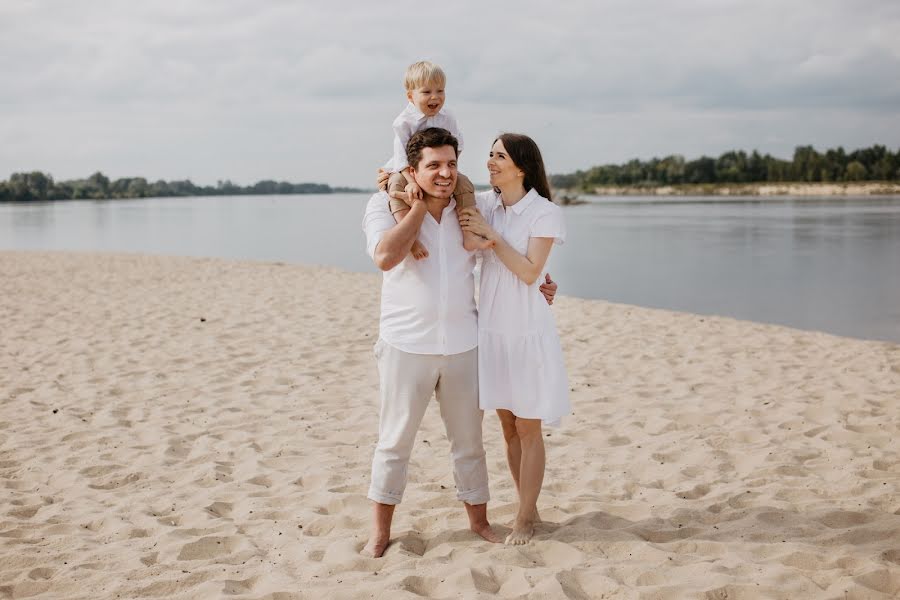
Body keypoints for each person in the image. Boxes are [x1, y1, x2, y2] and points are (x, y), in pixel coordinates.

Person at [362, 127, 557, 558]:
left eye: (451, 164)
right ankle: (379, 533)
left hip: (465, 346)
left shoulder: (470, 208)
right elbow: (385, 257)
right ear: (412, 171)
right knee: (394, 443)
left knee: (469, 442)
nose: (445, 173)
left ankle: (480, 522)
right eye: (433, 166)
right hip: (405, 345)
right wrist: (414, 210)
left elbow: (513, 244)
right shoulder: (384, 207)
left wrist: (543, 283)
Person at [458, 133, 570, 545]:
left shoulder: (544, 212)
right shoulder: (485, 203)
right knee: (507, 426)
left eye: (499, 155)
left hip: (527, 329)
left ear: (520, 166)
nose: (490, 161)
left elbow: (528, 273)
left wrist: (492, 237)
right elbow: (450, 188)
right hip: (491, 330)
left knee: (528, 426)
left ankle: (523, 520)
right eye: (489, 154)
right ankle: (530, 506)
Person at [382, 60, 492, 259]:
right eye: (426, 92)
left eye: (440, 91)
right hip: (405, 169)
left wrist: (448, 168)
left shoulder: (447, 116)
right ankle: (411, 239)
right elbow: (401, 157)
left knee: (464, 183)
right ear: (410, 96)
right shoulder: (403, 122)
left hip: (435, 166)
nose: (435, 97)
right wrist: (412, 182)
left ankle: (469, 234)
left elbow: (456, 143)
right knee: (395, 188)